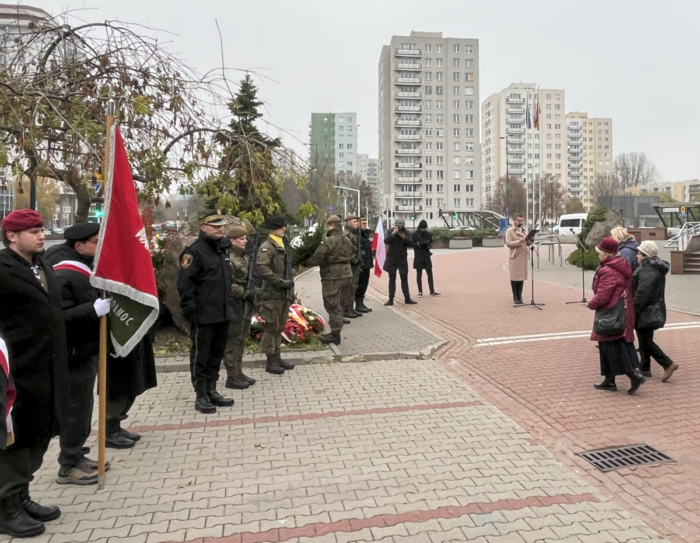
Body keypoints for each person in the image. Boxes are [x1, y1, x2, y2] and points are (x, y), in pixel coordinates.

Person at [0, 210, 68, 538]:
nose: (42, 235)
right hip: (16, 370)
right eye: (33, 231)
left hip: (48, 366)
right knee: (15, 442)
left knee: (38, 435)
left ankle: (22, 495)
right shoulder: (2, 268)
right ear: (11, 236)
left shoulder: (40, 264)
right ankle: (5, 507)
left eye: (41, 230)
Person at [44, 222, 111, 484]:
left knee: (83, 407)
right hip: (72, 353)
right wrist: (92, 310)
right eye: (95, 242)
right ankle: (68, 465)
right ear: (79, 245)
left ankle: (77, 455)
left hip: (85, 350)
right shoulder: (64, 273)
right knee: (75, 409)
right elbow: (57, 318)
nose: (99, 246)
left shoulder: (84, 267)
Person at [177, 212, 235, 414]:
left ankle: (212, 389)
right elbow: (185, 285)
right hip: (203, 315)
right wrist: (190, 313)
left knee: (216, 354)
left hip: (223, 312)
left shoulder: (221, 250)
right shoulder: (193, 252)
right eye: (216, 227)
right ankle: (200, 394)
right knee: (201, 356)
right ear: (203, 228)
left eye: (222, 226)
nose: (221, 229)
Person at [588, 237, 645, 395]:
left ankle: (633, 376)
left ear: (606, 253)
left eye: (600, 252)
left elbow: (603, 295)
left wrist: (591, 304)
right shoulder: (619, 265)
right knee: (608, 345)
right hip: (619, 310)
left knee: (612, 345)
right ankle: (609, 380)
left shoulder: (609, 270)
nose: (599, 255)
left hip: (610, 312)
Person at [632, 240, 679, 381]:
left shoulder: (648, 270)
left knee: (646, 341)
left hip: (646, 310)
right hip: (650, 309)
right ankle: (645, 367)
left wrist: (634, 310)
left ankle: (668, 364)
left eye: (639, 253)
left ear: (645, 255)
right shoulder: (652, 267)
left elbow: (642, 294)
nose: (636, 256)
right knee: (644, 338)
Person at [307, 215, 355, 345]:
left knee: (332, 305)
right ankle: (336, 332)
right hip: (347, 274)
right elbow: (352, 254)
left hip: (332, 276)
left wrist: (305, 262)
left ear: (332, 226)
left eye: (329, 225)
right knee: (340, 304)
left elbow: (318, 257)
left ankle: (335, 334)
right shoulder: (347, 240)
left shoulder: (329, 241)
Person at [257, 215, 295, 375]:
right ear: (273, 228)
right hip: (272, 294)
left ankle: (277, 356)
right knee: (271, 327)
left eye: (283, 226)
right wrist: (279, 282)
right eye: (280, 227)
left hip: (282, 294)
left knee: (279, 327)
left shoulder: (282, 245)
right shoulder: (267, 247)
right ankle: (270, 360)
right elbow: (262, 268)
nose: (283, 229)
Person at [106, 333, 157, 448]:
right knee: (118, 386)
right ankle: (109, 431)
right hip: (117, 339)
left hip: (135, 336)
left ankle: (116, 426)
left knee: (133, 382)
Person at [223, 226, 258, 390]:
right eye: (241, 239)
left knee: (242, 338)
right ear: (232, 241)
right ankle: (231, 376)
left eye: (245, 238)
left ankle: (238, 372)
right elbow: (228, 285)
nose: (245, 241)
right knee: (233, 340)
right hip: (234, 303)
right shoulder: (229, 258)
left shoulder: (244, 256)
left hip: (244, 302)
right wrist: (246, 293)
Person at [383, 219, 417, 306]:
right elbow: (386, 241)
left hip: (402, 259)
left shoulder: (407, 232)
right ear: (395, 225)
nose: (400, 228)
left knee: (404, 279)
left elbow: (411, 244)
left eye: (401, 226)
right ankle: (390, 299)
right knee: (392, 279)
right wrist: (393, 233)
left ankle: (407, 298)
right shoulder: (390, 231)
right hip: (392, 259)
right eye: (398, 226)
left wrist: (404, 237)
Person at [505, 214, 531, 304]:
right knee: (514, 277)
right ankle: (515, 297)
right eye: (519, 220)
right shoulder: (510, 230)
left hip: (523, 256)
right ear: (514, 221)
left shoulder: (524, 230)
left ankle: (520, 297)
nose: (520, 222)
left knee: (521, 277)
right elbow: (508, 243)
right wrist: (519, 241)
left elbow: (528, 243)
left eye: (522, 220)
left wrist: (530, 239)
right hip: (515, 256)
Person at [411, 220, 440, 297]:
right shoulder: (415, 234)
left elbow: (431, 243)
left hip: (426, 255)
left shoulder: (428, 234)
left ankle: (432, 290)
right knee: (419, 274)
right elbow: (412, 244)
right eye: (422, 228)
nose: (424, 230)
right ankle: (420, 291)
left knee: (430, 274)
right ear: (419, 227)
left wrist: (428, 244)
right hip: (418, 256)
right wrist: (419, 244)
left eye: (425, 228)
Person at [342, 214, 363, 319]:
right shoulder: (346, 234)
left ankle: (351, 307)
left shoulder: (355, 234)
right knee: (349, 287)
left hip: (355, 264)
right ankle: (346, 309)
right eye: (354, 222)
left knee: (354, 286)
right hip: (350, 264)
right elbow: (347, 250)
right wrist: (354, 260)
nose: (357, 224)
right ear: (348, 222)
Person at [354, 217, 374, 313]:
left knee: (364, 284)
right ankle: (358, 304)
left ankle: (361, 303)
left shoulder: (364, 235)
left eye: (366, 224)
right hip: (361, 264)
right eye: (363, 224)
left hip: (366, 264)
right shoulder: (357, 235)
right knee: (360, 285)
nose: (365, 226)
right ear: (358, 224)